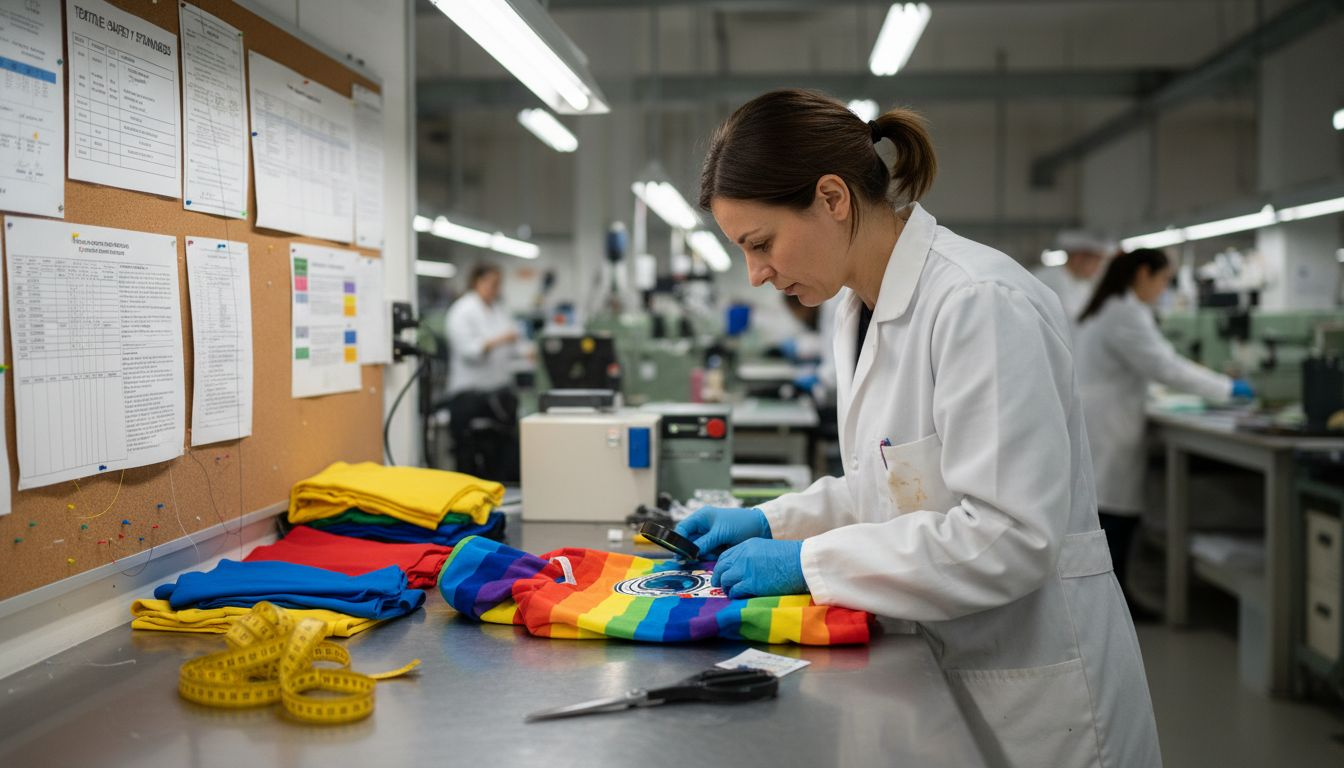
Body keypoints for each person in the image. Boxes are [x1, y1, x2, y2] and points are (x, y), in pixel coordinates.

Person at [680, 89, 1161, 767]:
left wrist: (809, 563)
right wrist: (771, 522)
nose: (756, 274)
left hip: (1035, 700)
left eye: (761, 244)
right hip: (933, 674)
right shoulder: (856, 311)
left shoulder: (979, 303)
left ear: (832, 199)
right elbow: (891, 488)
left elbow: (1010, 536)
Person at [1074, 248, 1252, 614]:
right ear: (1143, 273)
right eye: (1163, 280)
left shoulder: (1109, 306)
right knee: (1113, 522)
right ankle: (1112, 605)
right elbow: (1165, 366)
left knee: (1110, 518)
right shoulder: (1124, 311)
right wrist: (1226, 388)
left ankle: (1113, 601)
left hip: (1104, 420)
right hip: (1109, 426)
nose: (1163, 288)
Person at [444, 263, 522, 481]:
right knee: (469, 460)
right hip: (468, 397)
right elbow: (470, 351)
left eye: (499, 284)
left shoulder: (498, 310)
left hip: (498, 394)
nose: (495, 289)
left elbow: (514, 344)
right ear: (477, 281)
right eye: (491, 283)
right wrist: (501, 340)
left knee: (502, 456)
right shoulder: (463, 311)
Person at [1034, 231, 1109, 322]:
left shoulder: (1084, 284)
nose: (1098, 267)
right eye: (1096, 262)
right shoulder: (1044, 279)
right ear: (1078, 258)